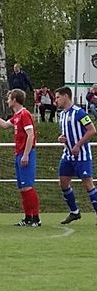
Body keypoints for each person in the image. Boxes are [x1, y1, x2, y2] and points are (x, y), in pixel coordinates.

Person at [0, 89, 40, 226]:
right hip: (19, 153)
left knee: (28, 186)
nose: (7, 100)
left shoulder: (25, 114)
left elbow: (31, 135)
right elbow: (4, 125)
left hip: (26, 153)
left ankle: (35, 218)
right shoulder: (17, 116)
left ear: (15, 99)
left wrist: (26, 154)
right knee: (22, 188)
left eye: (9, 98)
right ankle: (27, 218)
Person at [53, 86, 97, 225]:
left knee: (88, 183)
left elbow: (91, 130)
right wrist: (61, 138)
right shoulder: (63, 114)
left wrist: (78, 145)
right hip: (67, 155)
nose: (56, 101)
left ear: (66, 96)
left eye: (58, 97)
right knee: (63, 182)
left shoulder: (79, 112)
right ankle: (74, 212)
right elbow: (67, 133)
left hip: (81, 155)